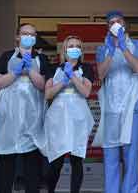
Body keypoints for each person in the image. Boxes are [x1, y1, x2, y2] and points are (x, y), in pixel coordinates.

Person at [93, 10, 138, 193]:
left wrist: (123, 47)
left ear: (125, 25)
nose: (115, 24)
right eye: (111, 23)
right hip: (111, 110)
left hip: (133, 109)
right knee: (111, 157)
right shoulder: (103, 48)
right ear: (108, 28)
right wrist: (111, 50)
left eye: (118, 21)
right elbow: (101, 74)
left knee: (131, 157)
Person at [0, 23, 50, 193]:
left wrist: (30, 69)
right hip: (9, 115)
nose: (29, 37)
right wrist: (14, 73)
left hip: (32, 115)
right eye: (25, 33)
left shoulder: (41, 59)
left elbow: (42, 85)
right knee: (6, 159)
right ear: (17, 37)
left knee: (32, 161)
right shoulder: (6, 56)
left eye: (32, 34)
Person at [42, 35, 95, 193]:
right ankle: (50, 190)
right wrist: (63, 80)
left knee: (76, 160)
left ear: (81, 50)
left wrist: (72, 76)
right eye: (71, 46)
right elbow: (48, 94)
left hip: (78, 118)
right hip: (58, 118)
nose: (74, 49)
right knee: (56, 161)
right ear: (64, 50)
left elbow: (86, 92)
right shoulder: (53, 69)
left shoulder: (86, 68)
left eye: (77, 46)